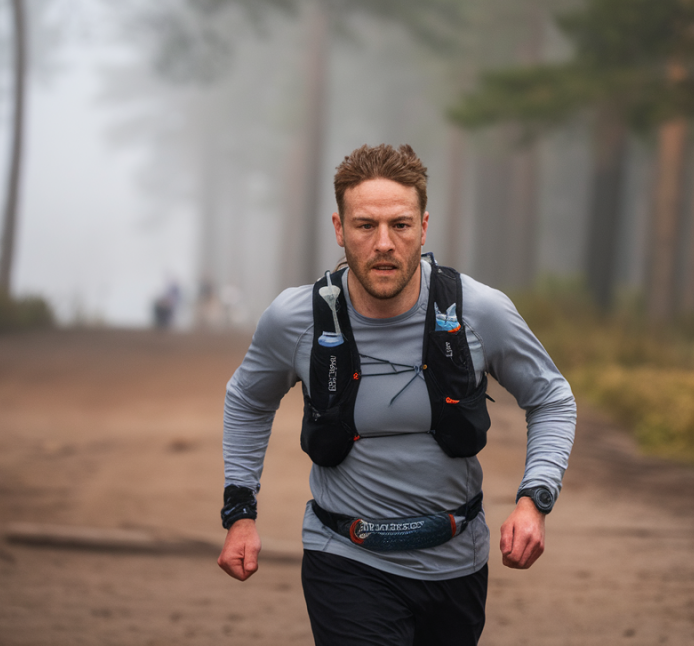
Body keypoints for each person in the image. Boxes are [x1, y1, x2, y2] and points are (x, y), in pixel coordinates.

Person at [218, 144, 576, 646]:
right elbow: (248, 401)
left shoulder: (479, 311)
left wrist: (534, 500)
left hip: (457, 564)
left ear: (424, 229)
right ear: (340, 230)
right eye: (365, 226)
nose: (383, 243)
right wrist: (240, 512)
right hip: (344, 559)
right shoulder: (296, 319)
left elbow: (552, 397)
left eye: (400, 225)